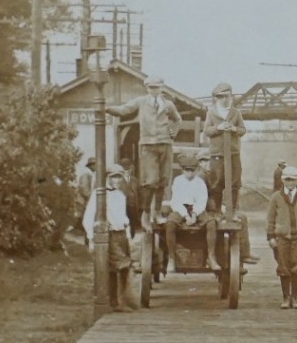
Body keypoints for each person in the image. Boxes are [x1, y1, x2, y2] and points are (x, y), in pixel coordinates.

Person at [106, 76, 181, 221]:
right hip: (148, 145)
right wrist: (106, 108)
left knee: (163, 180)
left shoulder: (168, 105)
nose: (154, 90)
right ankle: (146, 213)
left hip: (165, 144)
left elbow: (177, 119)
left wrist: (173, 133)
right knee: (151, 180)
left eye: (156, 87)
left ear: (161, 88)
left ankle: (157, 213)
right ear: (147, 88)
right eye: (151, 88)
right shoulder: (141, 102)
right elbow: (123, 110)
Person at [83, 164, 136, 311]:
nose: (117, 180)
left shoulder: (120, 195)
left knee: (117, 268)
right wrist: (91, 239)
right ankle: (118, 301)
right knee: (122, 264)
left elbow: (124, 218)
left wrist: (128, 236)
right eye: (114, 177)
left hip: (121, 234)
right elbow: (88, 217)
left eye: (119, 177)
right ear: (107, 178)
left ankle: (118, 301)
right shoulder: (99, 195)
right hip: (110, 235)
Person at [267, 165, 297, 309]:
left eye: (293, 180)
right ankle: (285, 298)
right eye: (287, 180)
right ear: (282, 180)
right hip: (281, 237)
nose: (290, 183)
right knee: (283, 265)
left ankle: (295, 298)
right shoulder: (276, 197)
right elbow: (270, 218)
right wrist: (270, 236)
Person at [200, 82, 247, 214]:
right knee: (217, 183)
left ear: (231, 96)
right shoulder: (211, 113)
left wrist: (233, 128)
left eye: (227, 96)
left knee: (235, 183)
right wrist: (218, 128)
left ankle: (232, 211)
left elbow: (243, 130)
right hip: (217, 153)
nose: (224, 99)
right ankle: (217, 212)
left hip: (233, 153)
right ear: (216, 98)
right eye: (221, 97)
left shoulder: (236, 113)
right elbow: (207, 131)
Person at [164, 154, 212, 270]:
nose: (189, 173)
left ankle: (211, 256)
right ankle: (171, 258)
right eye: (187, 170)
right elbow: (176, 201)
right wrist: (186, 215)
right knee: (170, 223)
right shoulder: (178, 181)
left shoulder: (200, 182)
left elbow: (202, 200)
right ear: (182, 170)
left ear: (196, 170)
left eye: (192, 170)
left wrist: (194, 214)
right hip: (181, 209)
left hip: (196, 208)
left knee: (211, 223)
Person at [74, 156, 97, 241]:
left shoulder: (90, 174)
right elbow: (84, 188)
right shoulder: (86, 174)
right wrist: (91, 197)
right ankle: (88, 240)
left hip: (86, 201)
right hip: (84, 202)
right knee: (88, 221)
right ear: (91, 165)